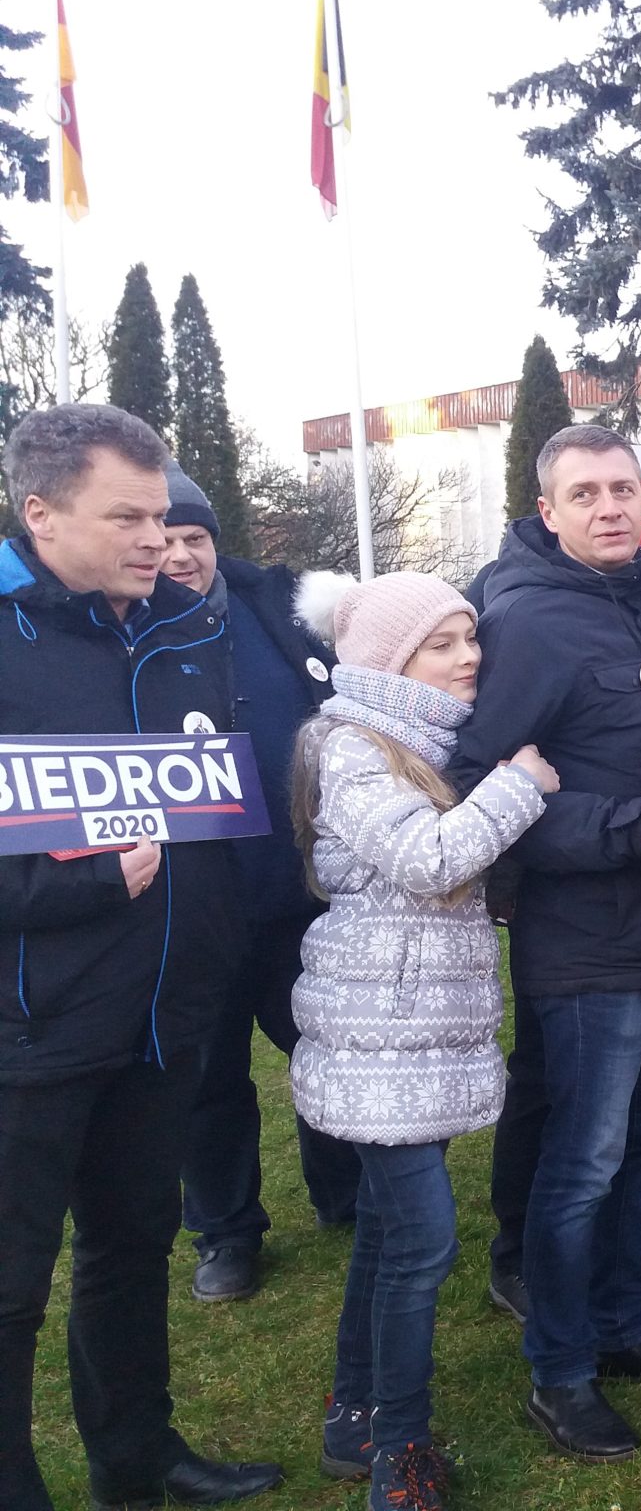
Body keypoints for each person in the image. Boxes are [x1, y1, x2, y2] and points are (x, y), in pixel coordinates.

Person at [0, 404, 282, 1510]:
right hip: (31, 1019)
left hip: (167, 1009)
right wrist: (76, 884)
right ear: (39, 514)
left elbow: (207, 811)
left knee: (133, 1243)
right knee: (13, 1281)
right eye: (127, 517)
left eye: (163, 517)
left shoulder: (189, 625)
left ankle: (135, 1456)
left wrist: (213, 952)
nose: (157, 541)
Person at [449, 423, 641, 1464]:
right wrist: (625, 827)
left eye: (623, 488)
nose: (610, 507)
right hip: (585, 943)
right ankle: (559, 1373)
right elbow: (480, 786)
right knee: (581, 1165)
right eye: (586, 494)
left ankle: (627, 1329)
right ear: (548, 511)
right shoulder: (524, 622)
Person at [288, 573, 556, 1507]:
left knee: (389, 1236)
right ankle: (399, 1451)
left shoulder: (427, 745)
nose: (469, 656)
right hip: (376, 1042)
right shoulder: (355, 748)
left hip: (416, 1038)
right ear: (390, 659)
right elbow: (428, 858)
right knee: (423, 1244)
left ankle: (353, 1416)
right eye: (442, 644)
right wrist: (523, 784)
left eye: (470, 637)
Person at [154, 467, 361, 1306]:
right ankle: (227, 1234)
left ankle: (346, 1197)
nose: (177, 555)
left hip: (291, 891)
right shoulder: (114, 627)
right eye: (162, 539)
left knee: (325, 1048)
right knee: (207, 1080)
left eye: (194, 538)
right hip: (183, 909)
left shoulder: (274, 609)